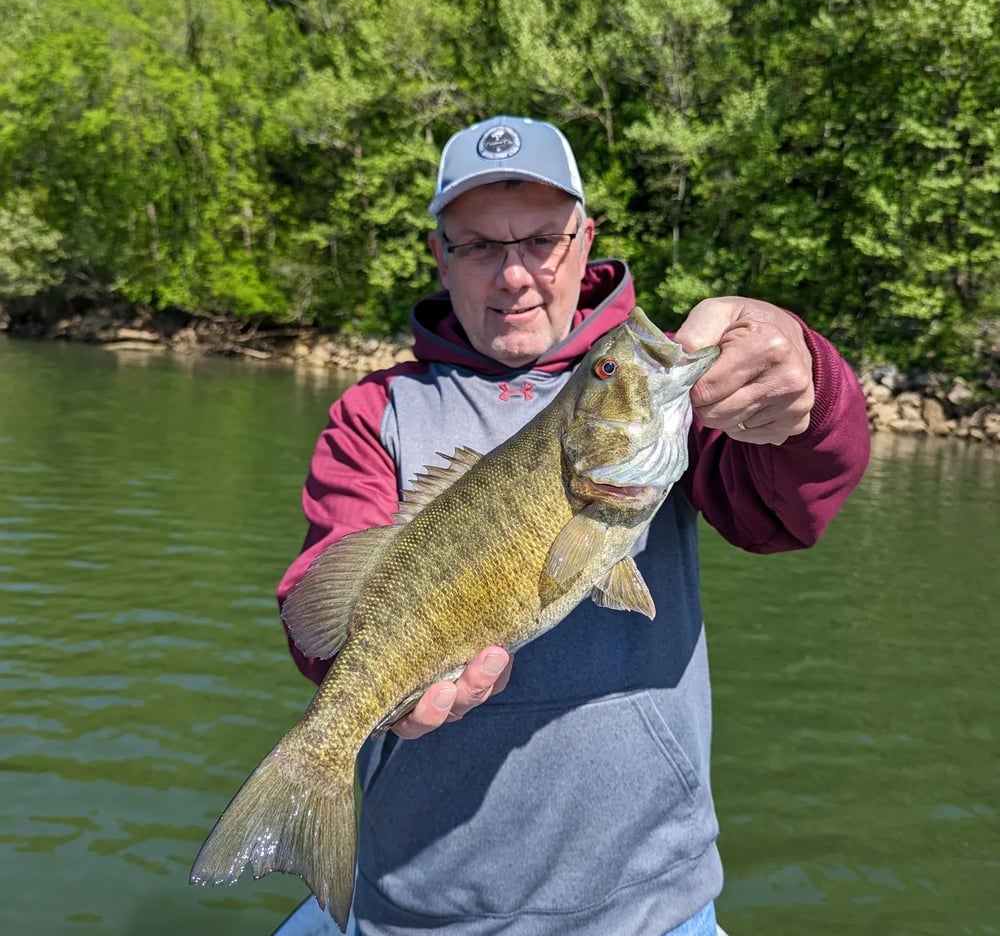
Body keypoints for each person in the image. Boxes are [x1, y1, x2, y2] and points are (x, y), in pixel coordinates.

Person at [276, 115, 871, 936]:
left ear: (585, 241)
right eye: (478, 246)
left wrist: (810, 385)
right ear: (440, 257)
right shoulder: (376, 411)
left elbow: (783, 508)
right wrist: (358, 675)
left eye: (541, 240)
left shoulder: (660, 404)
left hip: (648, 908)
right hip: (414, 905)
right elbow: (321, 609)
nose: (514, 274)